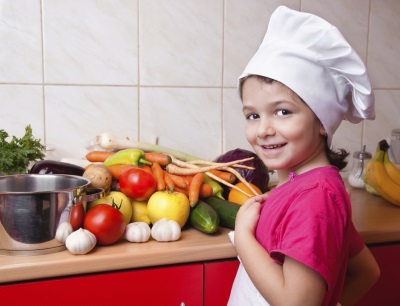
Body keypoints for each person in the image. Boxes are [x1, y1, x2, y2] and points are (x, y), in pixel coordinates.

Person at [228, 6, 380, 306]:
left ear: (322, 121)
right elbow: (367, 272)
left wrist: (243, 239)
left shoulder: (315, 198)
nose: (263, 130)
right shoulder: (304, 187)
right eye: (253, 115)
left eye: (282, 112)